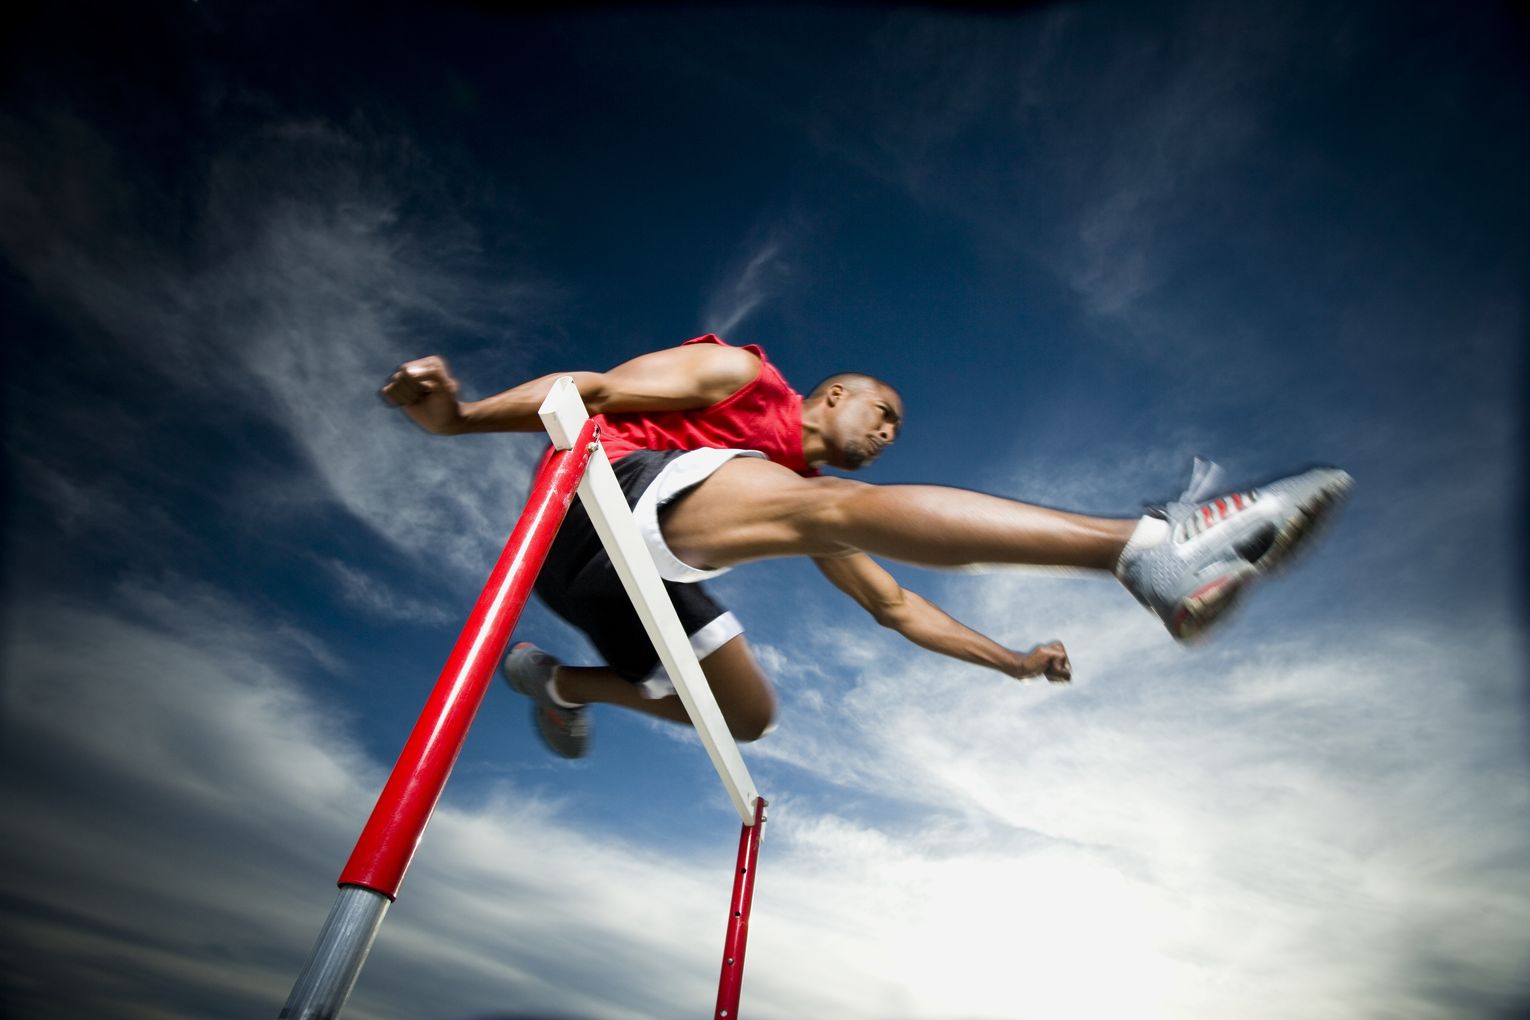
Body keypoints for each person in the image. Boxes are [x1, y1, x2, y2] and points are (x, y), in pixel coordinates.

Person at [381, 334, 1351, 758]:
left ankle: (558, 685)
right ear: (830, 397)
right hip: (593, 508)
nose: (888, 429)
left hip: (630, 585)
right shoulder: (740, 379)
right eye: (880, 411)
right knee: (836, 508)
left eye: (898, 427)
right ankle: (1144, 549)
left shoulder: (798, 500)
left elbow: (894, 605)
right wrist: (459, 419)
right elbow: (587, 392)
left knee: (746, 718)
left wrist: (1011, 662)